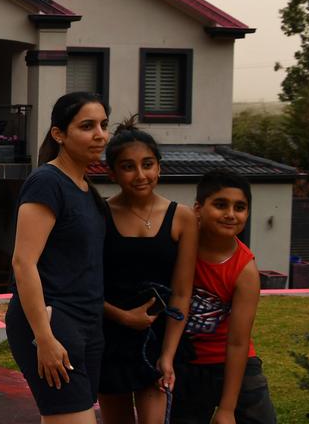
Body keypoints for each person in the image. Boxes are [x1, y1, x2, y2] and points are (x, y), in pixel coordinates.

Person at [5, 91, 110, 423]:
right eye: (87, 126)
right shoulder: (47, 182)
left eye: (104, 125)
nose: (100, 135)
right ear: (59, 134)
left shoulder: (85, 189)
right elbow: (23, 262)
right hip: (52, 322)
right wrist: (44, 337)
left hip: (87, 324)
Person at [97, 117, 197, 423]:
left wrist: (167, 355)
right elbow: (86, 285)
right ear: (112, 173)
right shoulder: (99, 214)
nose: (141, 175)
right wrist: (123, 316)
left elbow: (182, 293)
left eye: (148, 164)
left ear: (159, 167)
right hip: (109, 337)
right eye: (128, 166)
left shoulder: (182, 218)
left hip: (157, 338)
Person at [171, 170, 277, 424]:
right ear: (198, 208)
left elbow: (238, 342)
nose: (231, 214)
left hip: (231, 361)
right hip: (185, 362)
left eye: (239, 207)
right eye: (220, 205)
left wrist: (227, 409)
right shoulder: (178, 246)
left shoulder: (245, 270)